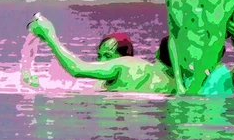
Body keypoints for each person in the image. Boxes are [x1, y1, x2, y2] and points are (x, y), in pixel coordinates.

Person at [27, 13, 175, 93]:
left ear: (156, 52)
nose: (102, 60)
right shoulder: (177, 86)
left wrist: (49, 35)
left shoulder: (129, 65)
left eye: (108, 57)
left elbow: (76, 69)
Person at [164, 0, 234, 96]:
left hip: (211, 77)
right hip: (186, 77)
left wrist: (197, 84)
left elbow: (216, 39)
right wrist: (178, 82)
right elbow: (173, 37)